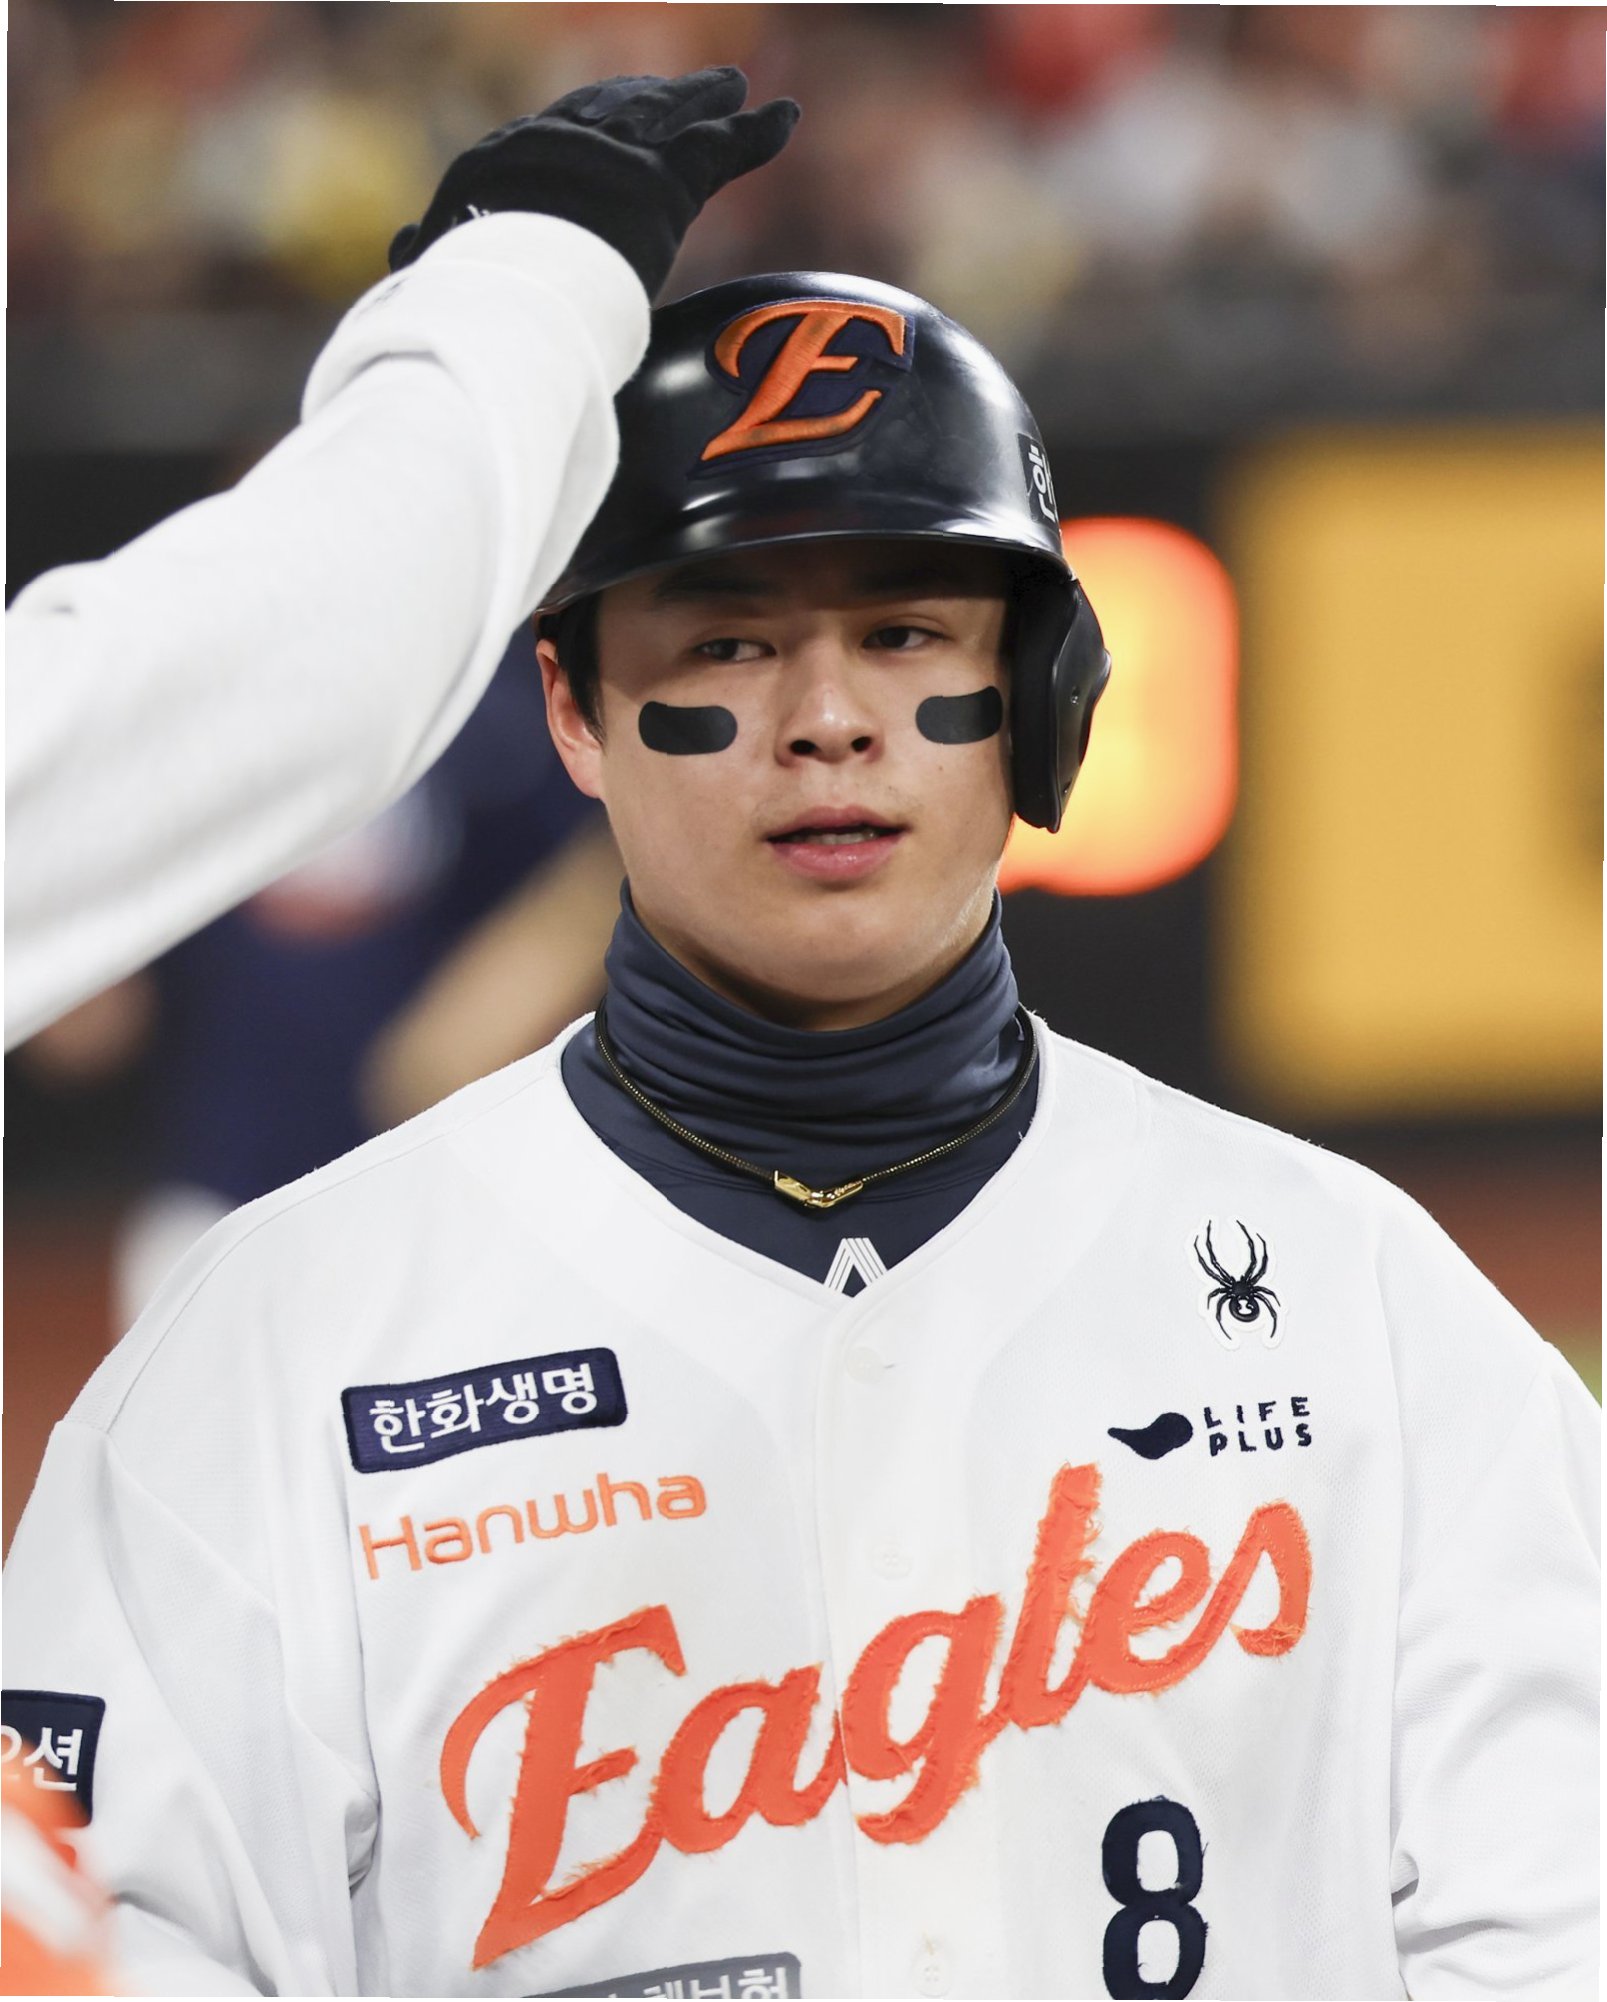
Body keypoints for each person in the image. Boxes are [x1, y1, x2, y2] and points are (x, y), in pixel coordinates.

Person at [4, 272, 1597, 2000]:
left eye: (905, 632)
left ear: (1040, 691)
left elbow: (1553, 1924)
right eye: (727, 640)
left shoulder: (1359, 1300)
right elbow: (113, 1949)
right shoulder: (267, 1348)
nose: (826, 716)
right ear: (571, 709)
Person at [5, 69, 798, 1050]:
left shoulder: (509, 703)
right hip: (216, 1132)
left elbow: (599, 870)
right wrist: (523, 270)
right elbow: (311, 651)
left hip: (427, 1123)